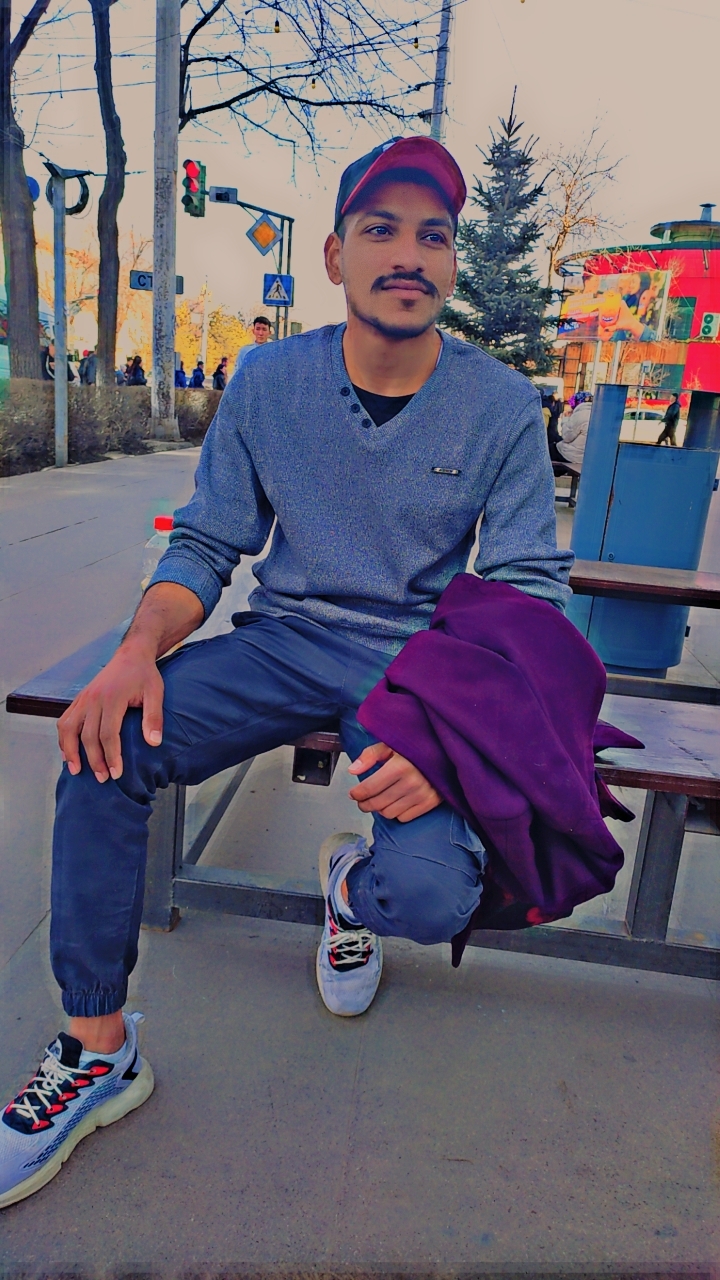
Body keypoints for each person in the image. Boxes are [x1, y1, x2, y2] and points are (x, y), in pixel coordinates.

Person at [0, 135, 573, 1209]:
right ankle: (98, 1048)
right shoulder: (268, 381)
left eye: (433, 235)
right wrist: (135, 651)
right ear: (335, 256)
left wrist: (452, 739)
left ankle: (352, 887)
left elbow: (529, 590)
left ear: (451, 262)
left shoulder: (499, 404)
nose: (408, 254)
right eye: (381, 229)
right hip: (283, 639)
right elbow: (209, 539)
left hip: (419, 671)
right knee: (100, 746)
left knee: (433, 892)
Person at [550, 391, 593, 470]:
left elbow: (566, 437)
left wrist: (566, 418)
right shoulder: (597, 414)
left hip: (573, 455)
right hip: (588, 455)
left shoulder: (581, 414)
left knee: (546, 450)